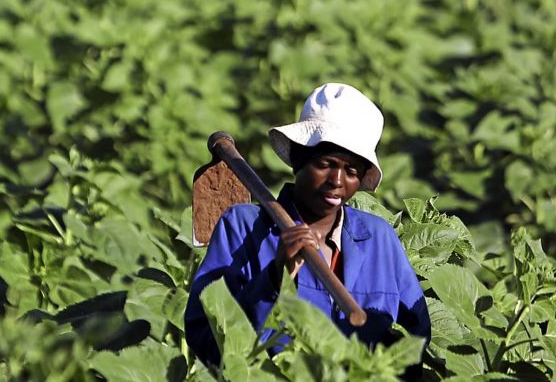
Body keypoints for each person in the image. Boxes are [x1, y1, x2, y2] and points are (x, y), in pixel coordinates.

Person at [184, 83, 431, 369]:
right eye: (325, 164)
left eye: (351, 171)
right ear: (299, 159)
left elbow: (416, 338)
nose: (337, 181)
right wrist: (275, 277)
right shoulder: (243, 227)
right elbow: (205, 337)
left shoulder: (378, 237)